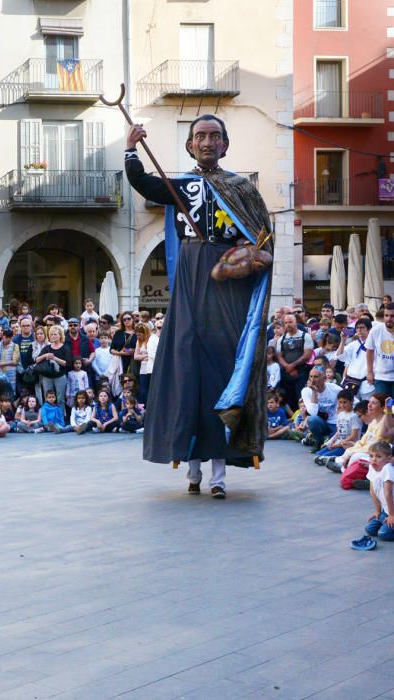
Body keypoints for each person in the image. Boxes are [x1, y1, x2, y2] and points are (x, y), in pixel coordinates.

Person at [125, 114, 272, 498]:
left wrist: (245, 260)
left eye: (215, 136)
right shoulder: (182, 186)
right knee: (186, 368)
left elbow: (263, 240)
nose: (207, 142)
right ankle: (192, 469)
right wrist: (131, 148)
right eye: (200, 136)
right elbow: (144, 184)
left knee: (223, 370)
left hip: (225, 283)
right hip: (190, 277)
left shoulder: (242, 188)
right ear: (190, 145)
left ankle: (220, 475)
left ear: (225, 144)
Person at [353, 441, 394, 549]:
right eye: (371, 456)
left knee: (383, 534)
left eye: (379, 456)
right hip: (386, 510)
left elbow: (388, 493)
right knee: (370, 529)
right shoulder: (372, 467)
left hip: (392, 510)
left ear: (389, 458)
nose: (374, 459)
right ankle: (386, 520)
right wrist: (377, 511)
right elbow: (372, 491)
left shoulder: (388, 469)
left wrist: (392, 515)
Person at [276, 311, 313, 408]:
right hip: (286, 373)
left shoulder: (305, 336)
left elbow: (307, 355)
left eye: (290, 322)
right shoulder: (281, 339)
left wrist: (292, 366)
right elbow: (279, 356)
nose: (288, 324)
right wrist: (287, 367)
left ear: (296, 322)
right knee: (288, 398)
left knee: (300, 397)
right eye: (286, 322)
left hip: (301, 372)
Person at [300, 365, 342, 449]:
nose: (312, 379)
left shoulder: (335, 389)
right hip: (320, 422)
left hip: (335, 422)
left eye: (316, 377)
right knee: (312, 419)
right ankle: (318, 441)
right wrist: (314, 393)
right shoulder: (306, 391)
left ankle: (312, 438)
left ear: (324, 378)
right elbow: (313, 412)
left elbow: (353, 401)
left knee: (334, 444)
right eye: (311, 376)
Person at [314, 392, 361, 464]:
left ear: (352, 401)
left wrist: (337, 445)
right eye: (340, 402)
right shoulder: (340, 415)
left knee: (323, 457)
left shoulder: (354, 416)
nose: (342, 405)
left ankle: (339, 459)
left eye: (345, 402)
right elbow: (338, 432)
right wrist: (329, 443)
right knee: (318, 455)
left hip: (347, 445)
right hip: (338, 443)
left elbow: (353, 436)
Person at [366, 302, 394, 398]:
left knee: (393, 408)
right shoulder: (376, 330)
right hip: (381, 377)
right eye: (386, 315)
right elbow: (369, 350)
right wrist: (369, 372)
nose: (389, 319)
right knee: (382, 407)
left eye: (392, 316)